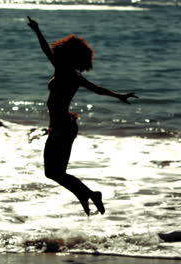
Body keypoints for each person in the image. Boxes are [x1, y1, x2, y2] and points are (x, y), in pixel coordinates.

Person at [27, 16, 138, 216]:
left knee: (53, 172)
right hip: (64, 127)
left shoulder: (64, 71)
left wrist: (36, 30)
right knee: (55, 172)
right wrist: (118, 95)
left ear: (67, 55)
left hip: (63, 128)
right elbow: (97, 89)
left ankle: (89, 194)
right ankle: (87, 195)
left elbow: (46, 50)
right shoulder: (73, 75)